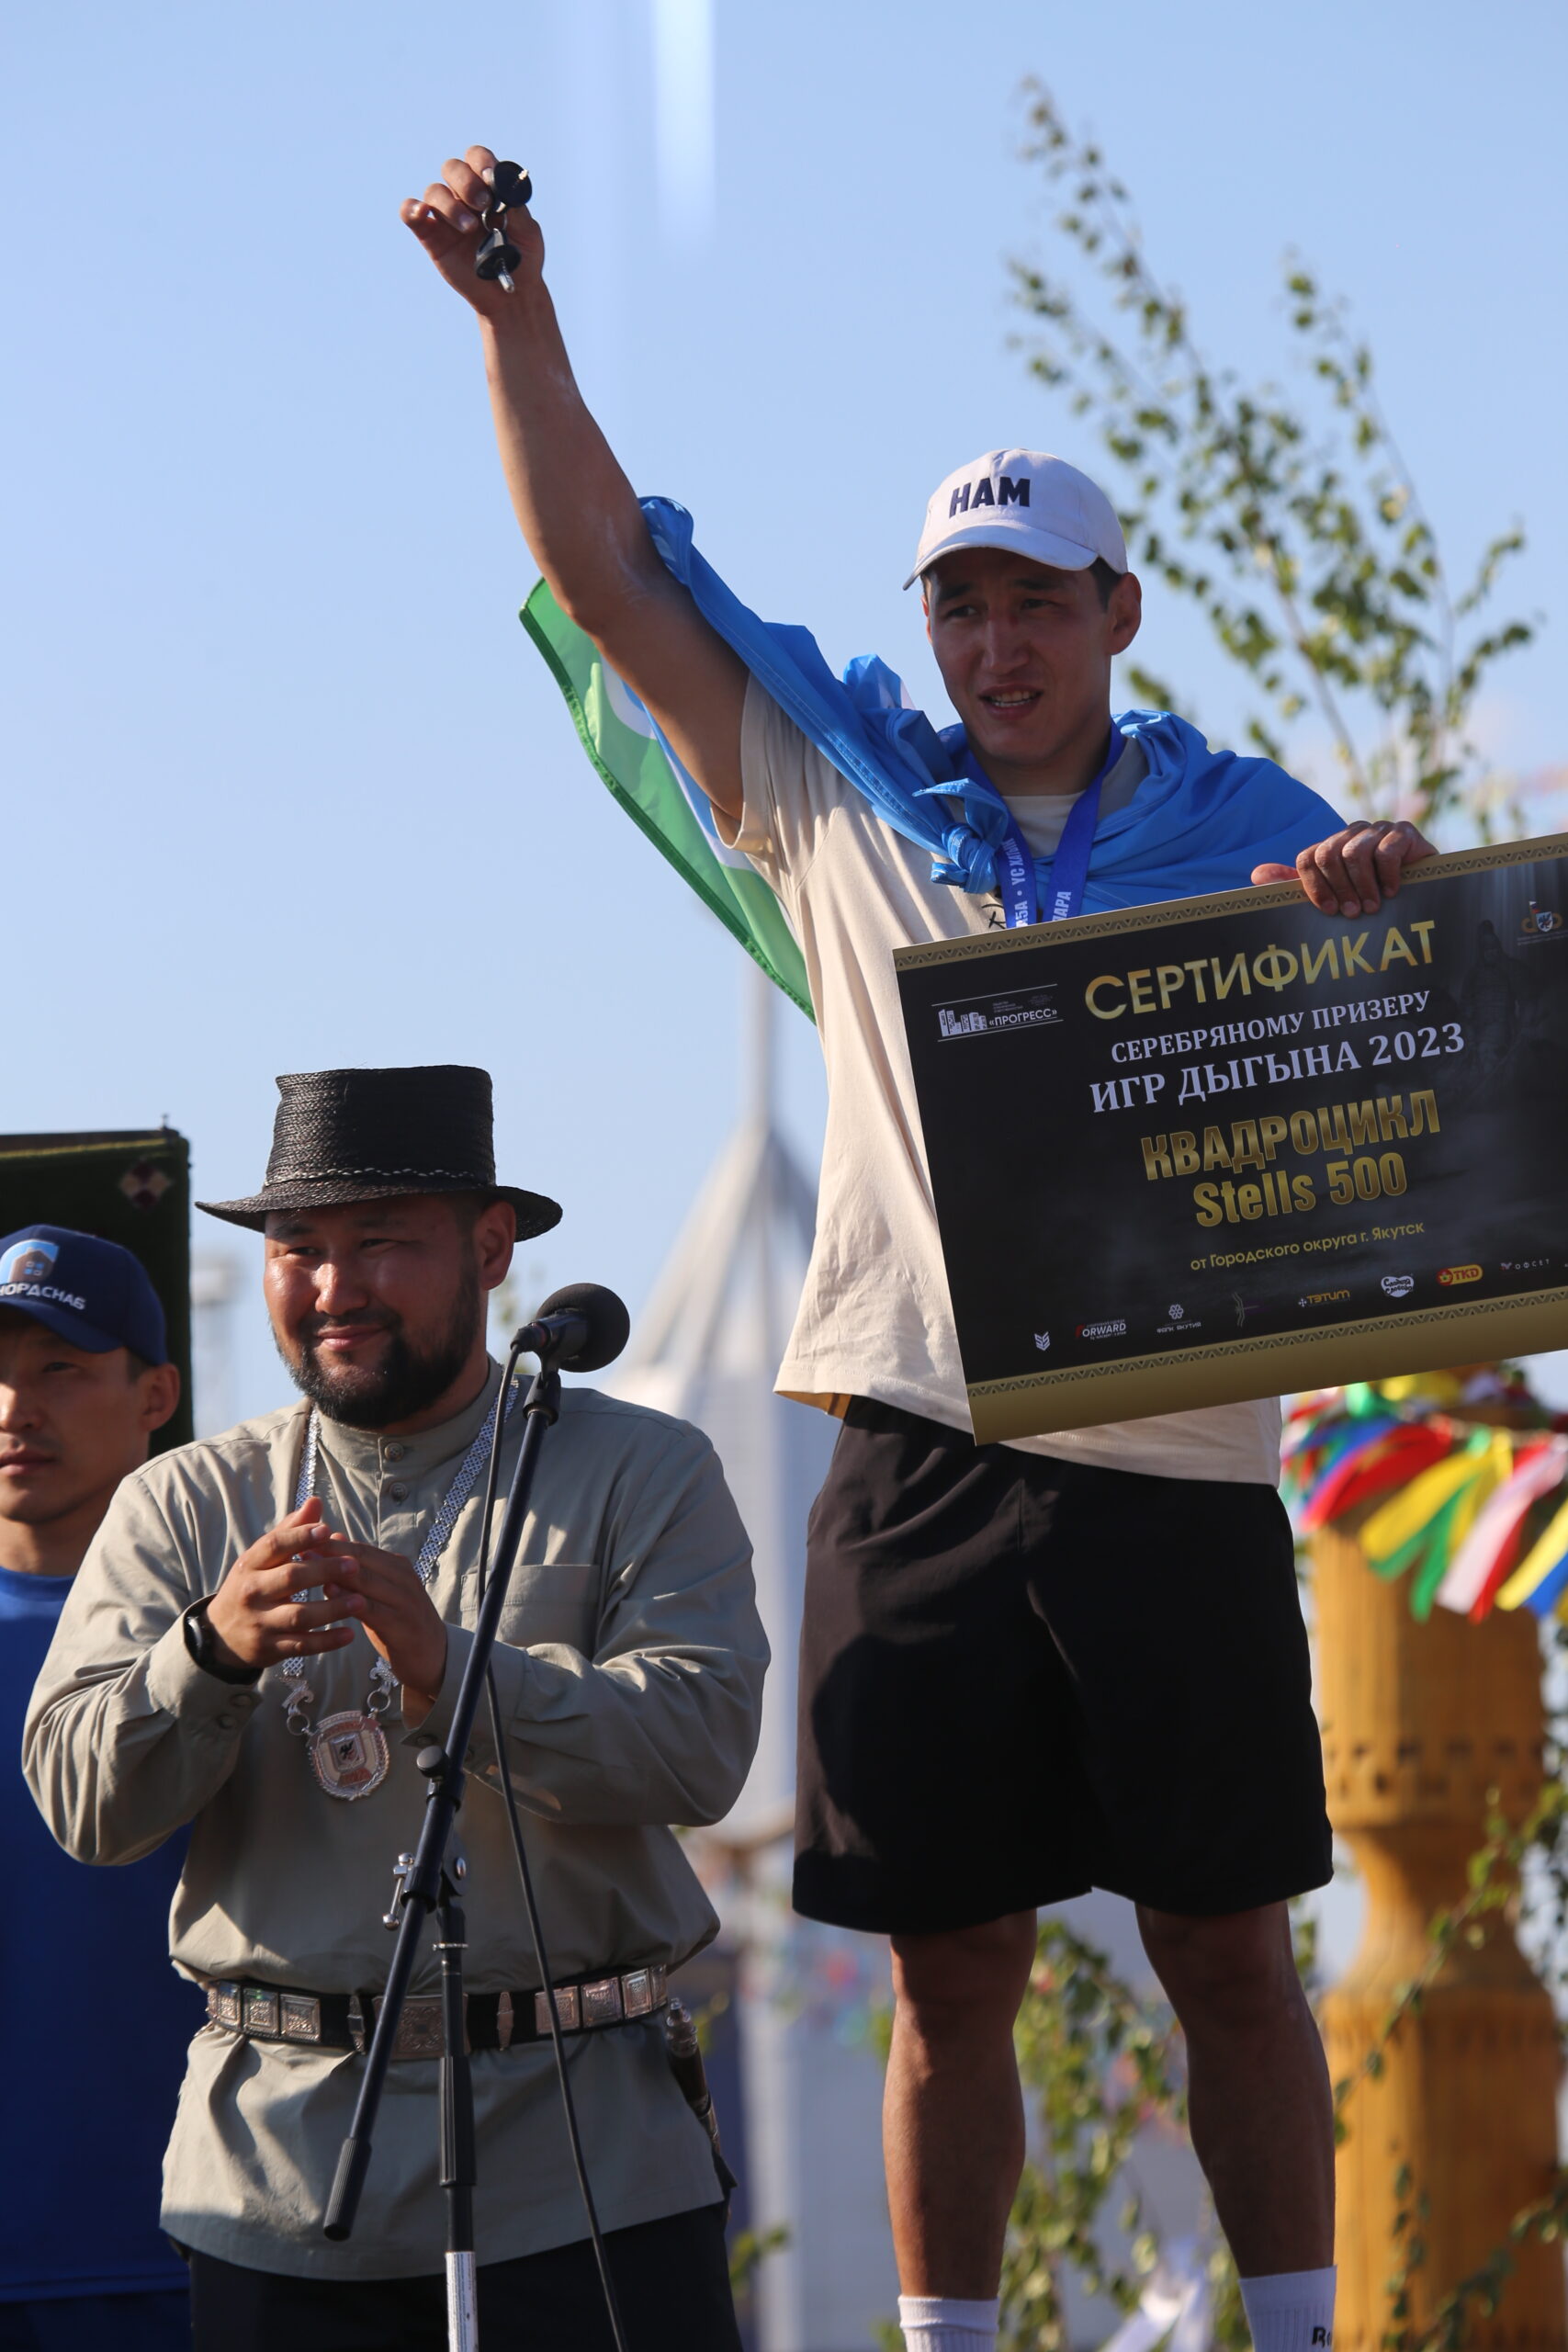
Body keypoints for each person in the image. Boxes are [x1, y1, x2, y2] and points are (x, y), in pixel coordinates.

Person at [400, 151, 1445, 2352]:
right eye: (958, 606)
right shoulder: (836, 786)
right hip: (919, 1450)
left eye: (1034, 604)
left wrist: (1379, 897)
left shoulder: (1250, 834)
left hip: (1173, 1462)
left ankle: (1295, 2326)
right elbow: (604, 574)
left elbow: (1427, 1043)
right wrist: (513, 321)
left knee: (1228, 1949)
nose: (992, 647)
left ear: (1115, 612)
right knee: (943, 1962)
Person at [26, 1064, 768, 2352]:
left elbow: (698, 1746)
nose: (334, 1287)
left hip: (586, 2173)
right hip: (278, 2182)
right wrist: (207, 1652)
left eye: (380, 1241)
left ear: (490, 1249)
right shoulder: (185, 1504)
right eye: (296, 1247)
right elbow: (84, 1804)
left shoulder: (636, 1468)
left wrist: (450, 1670)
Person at [0, 1225, 191, 2352]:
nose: (15, 1407)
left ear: (155, 1393)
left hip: (191, 2242)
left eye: (61, 1368)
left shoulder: (237, 1634)